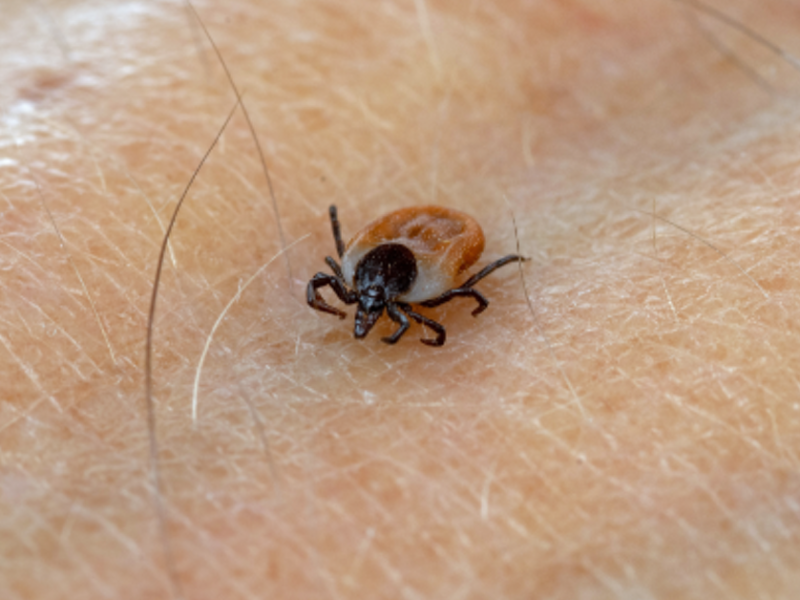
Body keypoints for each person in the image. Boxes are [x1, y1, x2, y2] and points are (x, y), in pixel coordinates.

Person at [2, 0, 798, 597]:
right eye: (357, 300)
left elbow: (452, 301)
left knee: (471, 283)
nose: (361, 308)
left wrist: (440, 300)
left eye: (364, 304)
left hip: (429, 254)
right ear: (353, 284)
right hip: (413, 253)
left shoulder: (412, 285)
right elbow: (416, 303)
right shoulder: (381, 284)